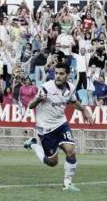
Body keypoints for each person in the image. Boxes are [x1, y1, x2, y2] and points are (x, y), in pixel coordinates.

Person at [24, 62, 93, 192]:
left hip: (61, 124)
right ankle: (33, 144)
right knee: (52, 163)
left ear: (68, 75)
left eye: (61, 74)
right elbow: (31, 105)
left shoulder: (71, 88)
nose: (58, 76)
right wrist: (38, 99)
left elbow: (73, 102)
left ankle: (67, 184)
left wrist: (85, 110)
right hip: (46, 128)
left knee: (71, 152)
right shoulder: (45, 88)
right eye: (56, 73)